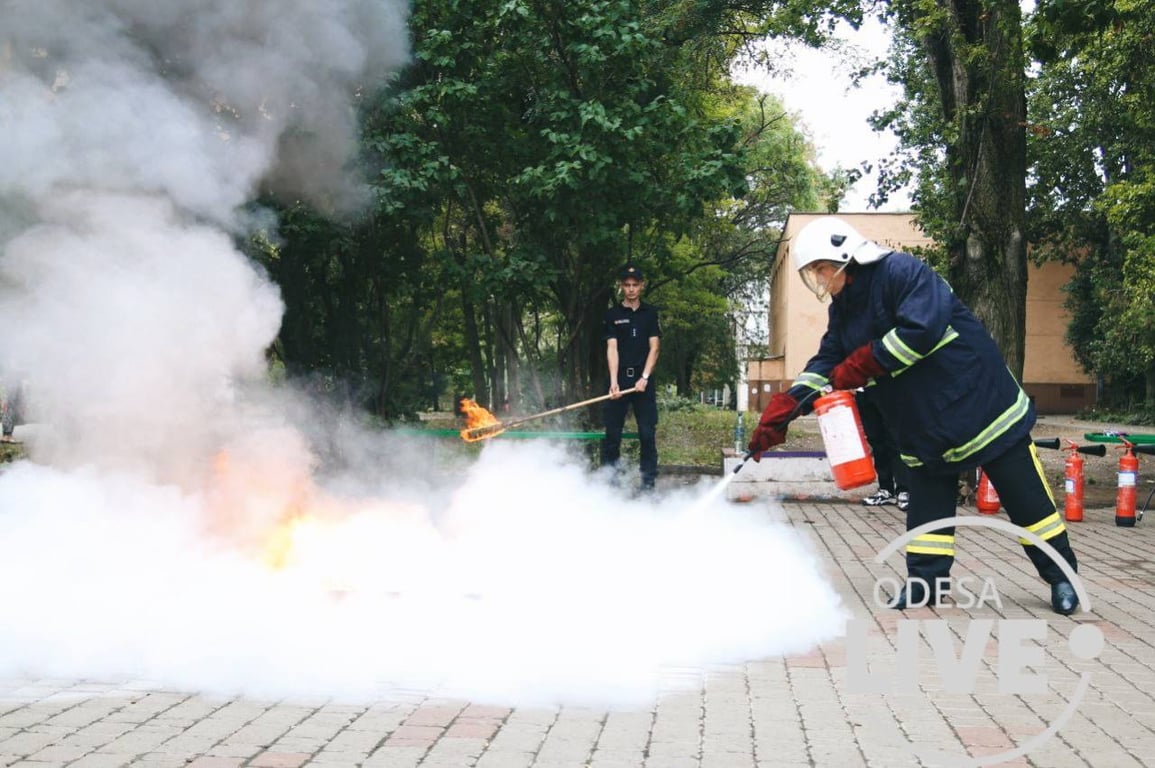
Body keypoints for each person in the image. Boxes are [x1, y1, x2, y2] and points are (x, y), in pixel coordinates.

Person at [747, 216, 1080, 615]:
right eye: (812, 273)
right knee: (926, 510)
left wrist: (864, 362)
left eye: (819, 268)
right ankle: (925, 584)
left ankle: (1062, 577)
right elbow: (830, 358)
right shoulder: (845, 308)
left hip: (980, 406)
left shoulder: (902, 272)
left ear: (843, 257)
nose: (818, 279)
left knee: (1027, 501)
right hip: (923, 425)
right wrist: (788, 406)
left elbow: (921, 331)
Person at [602, 264, 662, 492]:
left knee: (647, 434)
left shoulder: (650, 313)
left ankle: (648, 486)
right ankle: (610, 485)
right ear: (621, 287)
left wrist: (644, 377)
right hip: (620, 382)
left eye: (635, 285)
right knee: (612, 435)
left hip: (643, 382)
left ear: (641, 286)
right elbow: (612, 348)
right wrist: (614, 381)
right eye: (626, 285)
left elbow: (654, 347)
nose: (631, 289)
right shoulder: (612, 315)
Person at [857, 387, 909, 510]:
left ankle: (904, 491)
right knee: (876, 442)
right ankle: (886, 490)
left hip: (889, 390)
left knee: (895, 441)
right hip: (864, 391)